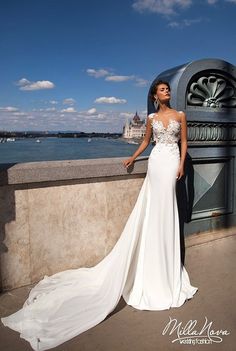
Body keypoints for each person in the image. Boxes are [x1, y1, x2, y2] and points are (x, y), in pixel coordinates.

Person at [1, 80, 198, 350]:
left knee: (167, 213)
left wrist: (180, 166)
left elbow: (184, 142)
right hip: (155, 164)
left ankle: (166, 269)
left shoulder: (180, 116)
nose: (167, 92)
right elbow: (145, 142)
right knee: (154, 212)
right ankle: (152, 267)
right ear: (154, 96)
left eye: (167, 89)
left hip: (171, 163)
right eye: (162, 90)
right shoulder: (152, 118)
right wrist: (132, 157)